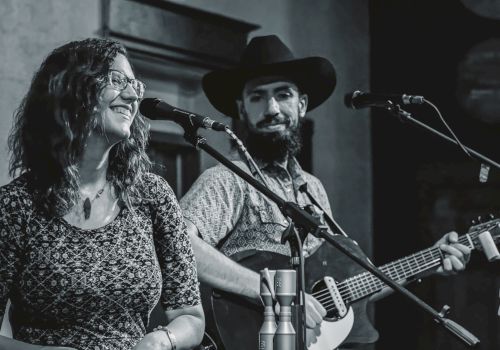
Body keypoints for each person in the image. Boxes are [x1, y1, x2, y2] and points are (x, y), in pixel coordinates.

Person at [179, 35, 471, 348]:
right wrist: (270, 289)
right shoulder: (225, 180)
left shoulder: (312, 188)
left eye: (283, 94)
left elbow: (342, 289)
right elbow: (176, 244)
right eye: (257, 97)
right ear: (242, 109)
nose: (272, 108)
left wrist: (430, 261)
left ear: (301, 104)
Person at [0, 38, 204, 350]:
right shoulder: (14, 206)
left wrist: (162, 340)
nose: (133, 94)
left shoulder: (152, 195)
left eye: (135, 83)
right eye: (117, 80)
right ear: (70, 90)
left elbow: (190, 316)